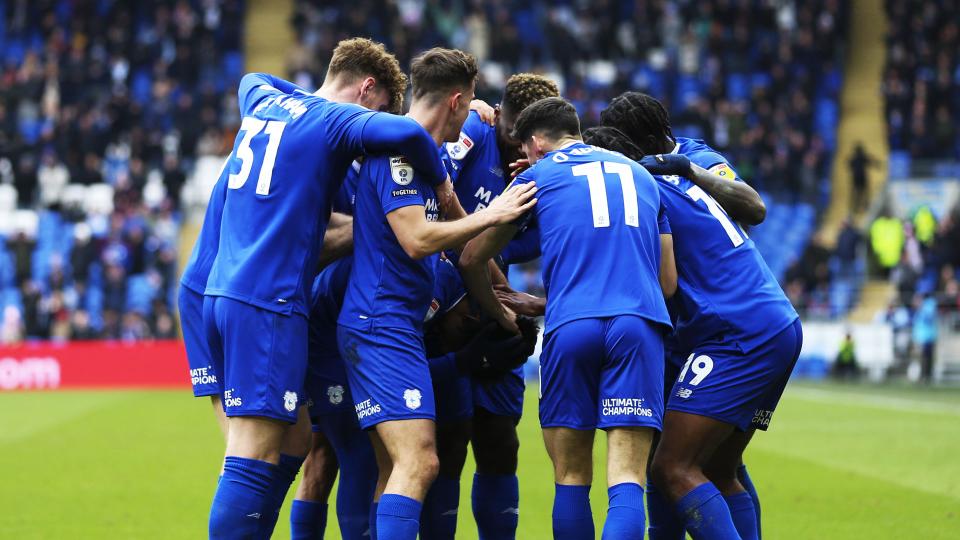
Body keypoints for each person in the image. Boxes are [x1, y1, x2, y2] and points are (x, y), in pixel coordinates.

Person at [199, 37, 457, 538]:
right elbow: (410, 135)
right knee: (252, 452)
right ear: (366, 89)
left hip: (223, 291)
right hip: (268, 301)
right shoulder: (335, 121)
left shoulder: (262, 97)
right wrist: (441, 184)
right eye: (378, 105)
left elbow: (254, 78)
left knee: (295, 437)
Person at [336, 47, 538, 539]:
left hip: (390, 323)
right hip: (380, 323)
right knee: (421, 460)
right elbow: (415, 237)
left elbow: (460, 235)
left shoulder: (425, 157)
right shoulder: (401, 151)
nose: (474, 115)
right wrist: (492, 213)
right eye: (470, 105)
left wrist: (508, 296)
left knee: (392, 470)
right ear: (454, 101)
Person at [460, 97, 676, 539]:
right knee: (628, 479)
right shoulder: (641, 175)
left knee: (572, 478)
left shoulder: (537, 177)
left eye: (525, 149)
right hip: (638, 322)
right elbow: (667, 281)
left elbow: (471, 256)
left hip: (572, 325)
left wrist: (501, 307)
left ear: (537, 142)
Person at [588, 122, 801, 540]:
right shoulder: (689, 171)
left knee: (672, 466)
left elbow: (664, 283)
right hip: (769, 323)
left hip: (735, 334)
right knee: (721, 468)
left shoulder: (647, 189)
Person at [434, 72, 560, 539]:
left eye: (529, 141)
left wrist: (531, 195)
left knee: (500, 442)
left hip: (490, 308)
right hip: (445, 307)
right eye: (512, 133)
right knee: (447, 443)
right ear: (499, 115)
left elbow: (533, 243)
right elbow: (439, 200)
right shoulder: (473, 132)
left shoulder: (544, 171)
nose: (518, 148)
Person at [849, 142, 879, 213]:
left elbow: (849, 165)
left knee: (857, 193)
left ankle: (855, 208)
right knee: (865, 193)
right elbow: (872, 162)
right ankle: (865, 207)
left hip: (856, 178)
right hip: (862, 178)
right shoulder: (863, 157)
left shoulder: (854, 158)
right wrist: (878, 165)